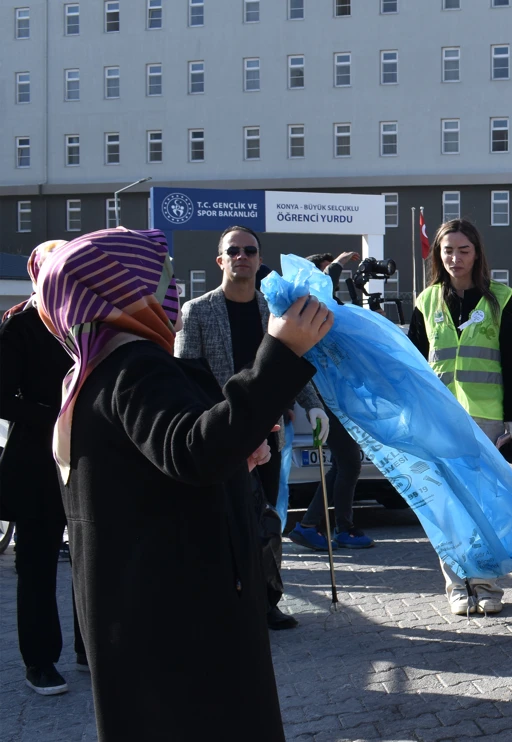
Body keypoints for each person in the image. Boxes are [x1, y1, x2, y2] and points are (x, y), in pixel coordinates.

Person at [39, 227, 332, 740]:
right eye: (161, 279)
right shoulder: (135, 368)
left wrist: (231, 460)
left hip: (143, 615)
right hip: (183, 623)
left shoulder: (95, 371)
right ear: (124, 289)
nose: (171, 292)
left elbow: (151, 474)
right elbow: (192, 450)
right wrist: (282, 352)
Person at [175, 225, 331, 631]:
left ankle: (266, 599)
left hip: (270, 432)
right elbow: (186, 378)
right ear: (220, 260)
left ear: (260, 260)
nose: (242, 256)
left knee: (267, 520)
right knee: (222, 518)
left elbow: (294, 362)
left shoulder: (274, 309)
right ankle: (224, 599)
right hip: (219, 433)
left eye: (250, 250)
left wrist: (312, 407)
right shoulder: (198, 311)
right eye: (233, 250)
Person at [407, 218, 512, 616]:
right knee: (445, 505)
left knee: (483, 505)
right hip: (437, 420)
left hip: (487, 421)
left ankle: (486, 582)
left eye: (463, 250)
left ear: (477, 253)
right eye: (448, 251)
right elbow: (411, 364)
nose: (455, 258)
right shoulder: (426, 301)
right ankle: (457, 583)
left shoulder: (501, 298)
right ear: (438, 255)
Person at [0, 241, 85, 696]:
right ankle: (40, 661)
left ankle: (87, 648)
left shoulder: (84, 318)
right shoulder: (20, 324)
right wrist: (56, 415)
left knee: (89, 558)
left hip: (87, 460)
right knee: (36, 565)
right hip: (36, 463)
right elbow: (2, 397)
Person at [288, 252, 373, 553]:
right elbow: (322, 284)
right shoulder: (306, 309)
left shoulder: (326, 312)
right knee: (348, 461)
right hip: (322, 401)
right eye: (320, 277)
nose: (326, 284)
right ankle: (329, 527)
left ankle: (318, 526)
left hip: (334, 399)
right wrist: (337, 264)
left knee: (344, 463)